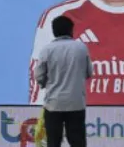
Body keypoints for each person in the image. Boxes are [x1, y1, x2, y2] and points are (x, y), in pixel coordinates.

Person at [33, 15, 92, 147]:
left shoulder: (47, 50)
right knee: (78, 142)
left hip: (53, 103)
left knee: (53, 142)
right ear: (71, 30)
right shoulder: (81, 48)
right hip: (76, 102)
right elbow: (89, 72)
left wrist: (47, 83)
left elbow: (39, 75)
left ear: (54, 31)